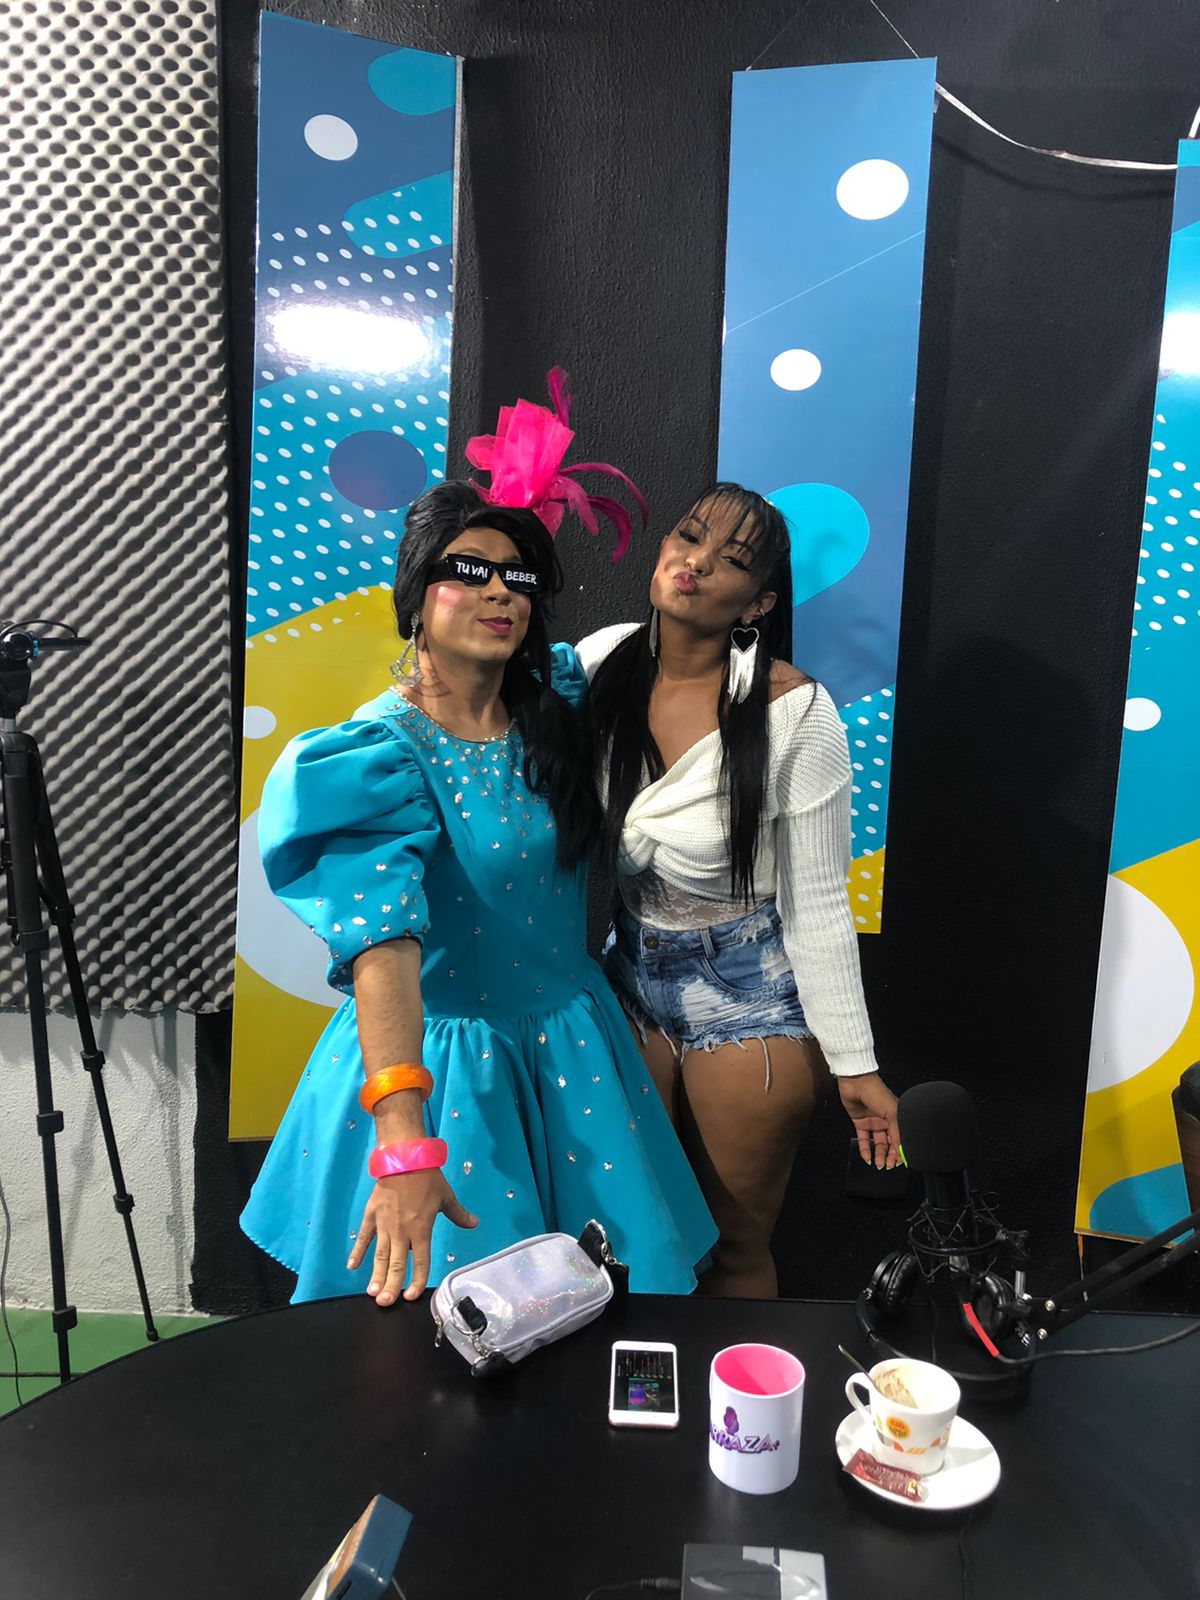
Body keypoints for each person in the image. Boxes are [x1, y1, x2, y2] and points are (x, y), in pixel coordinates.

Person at [241, 383, 716, 1307]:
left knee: (597, 1314)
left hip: (576, 1051)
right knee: (457, 1324)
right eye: (469, 570)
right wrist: (406, 1144)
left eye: (520, 578)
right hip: (444, 1069)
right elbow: (382, 952)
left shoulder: (560, 703)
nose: (500, 591)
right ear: (415, 594)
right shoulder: (372, 759)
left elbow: (672, 644)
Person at [579, 482, 899, 1299]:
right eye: (688, 537)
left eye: (731, 560)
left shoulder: (796, 713)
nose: (696, 562)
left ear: (756, 602)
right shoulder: (598, 663)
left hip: (748, 991)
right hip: (628, 977)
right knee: (624, 1241)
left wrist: (854, 1063)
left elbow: (818, 903)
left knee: (733, 1250)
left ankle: (737, 1389)